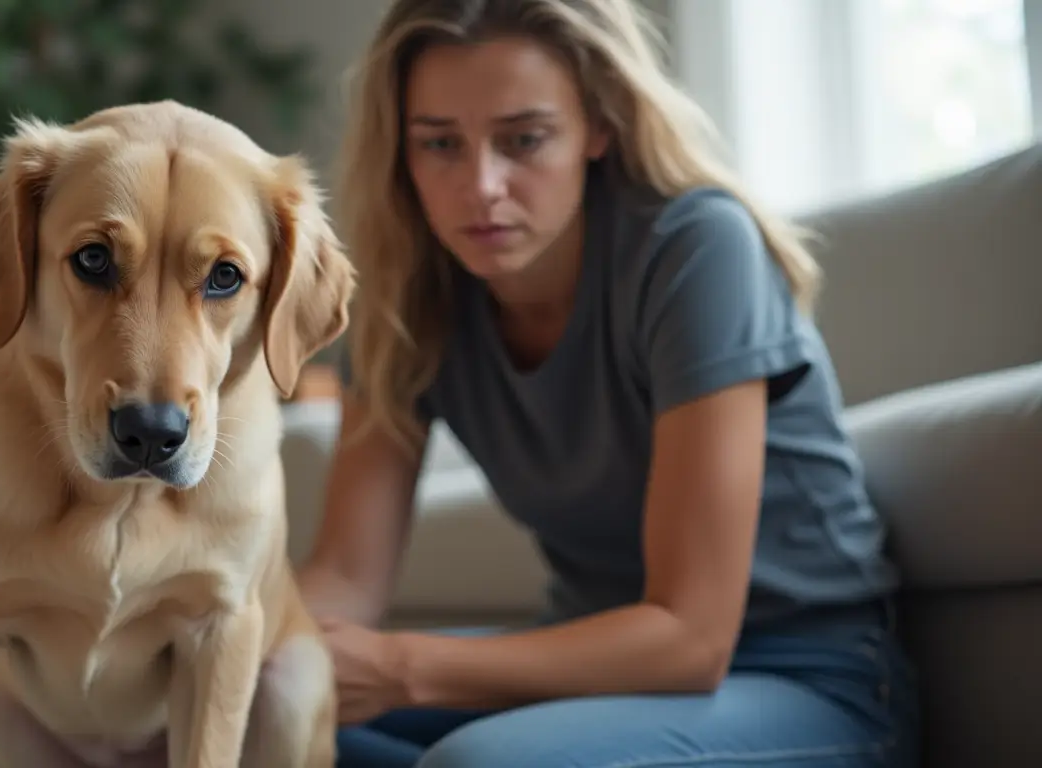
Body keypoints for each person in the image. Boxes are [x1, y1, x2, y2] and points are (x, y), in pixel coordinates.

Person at [293, 1, 921, 766]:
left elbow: (691, 638)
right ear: (401, 151)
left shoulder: (695, 249)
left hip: (801, 677)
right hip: (592, 683)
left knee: (480, 762)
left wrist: (400, 669)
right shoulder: (407, 301)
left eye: (524, 140)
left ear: (599, 123)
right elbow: (346, 576)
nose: (482, 185)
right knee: (272, 732)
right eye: (440, 145)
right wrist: (221, 672)